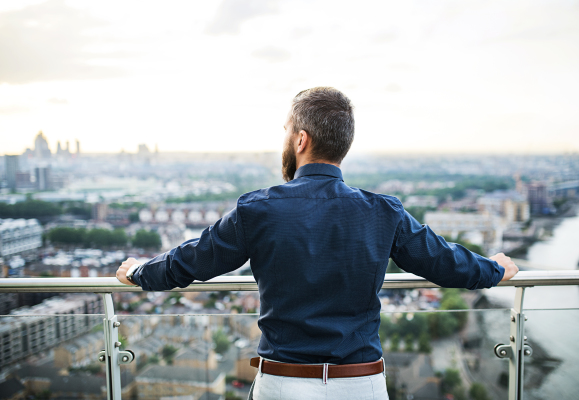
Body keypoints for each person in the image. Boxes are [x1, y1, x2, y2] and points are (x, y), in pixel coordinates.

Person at [116, 87, 519, 400]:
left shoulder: (259, 210)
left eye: (288, 133)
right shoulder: (384, 212)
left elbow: (189, 263)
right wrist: (495, 268)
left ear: (301, 140)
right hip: (360, 385)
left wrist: (137, 271)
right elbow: (445, 262)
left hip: (284, 384)